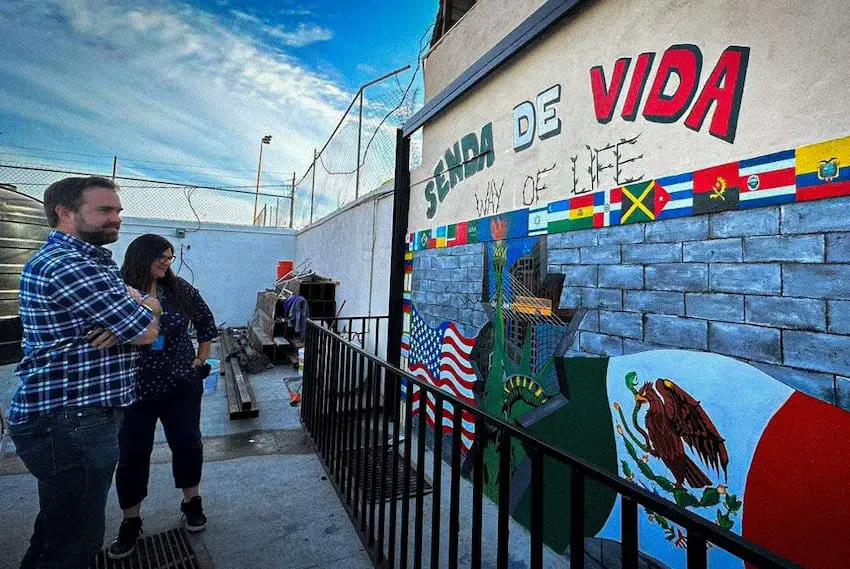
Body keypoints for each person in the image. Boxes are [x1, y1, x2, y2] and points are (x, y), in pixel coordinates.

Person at [8, 177, 162, 569]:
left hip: (76, 420)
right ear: (65, 212)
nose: (117, 218)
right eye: (105, 211)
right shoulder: (69, 264)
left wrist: (138, 306)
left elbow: (146, 317)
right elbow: (147, 331)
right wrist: (140, 311)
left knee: (57, 529)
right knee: (75, 543)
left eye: (118, 210)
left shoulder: (92, 260)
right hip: (71, 420)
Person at [107, 234, 218, 559]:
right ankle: (130, 521)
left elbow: (205, 322)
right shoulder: (118, 291)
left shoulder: (179, 289)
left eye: (170, 258)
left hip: (180, 384)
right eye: (160, 256)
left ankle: (191, 501)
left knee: (187, 443)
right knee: (132, 454)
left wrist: (200, 360)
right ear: (140, 256)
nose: (165, 263)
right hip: (132, 388)